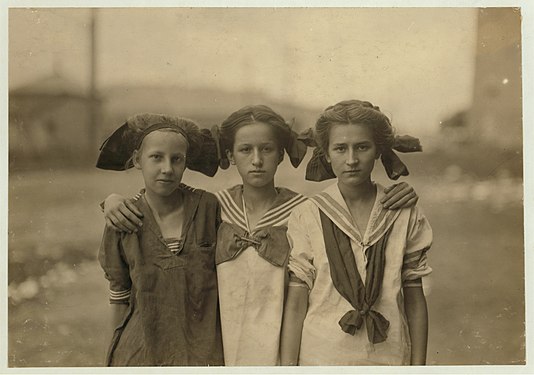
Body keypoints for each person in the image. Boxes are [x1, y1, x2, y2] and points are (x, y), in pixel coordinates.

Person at [101, 105, 419, 366]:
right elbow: (164, 203)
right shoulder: (213, 208)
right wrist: (113, 201)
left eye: (267, 149)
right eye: (245, 150)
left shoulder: (304, 210)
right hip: (222, 350)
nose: (256, 160)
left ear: (281, 154)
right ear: (230, 155)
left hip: (283, 350)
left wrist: (398, 193)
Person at [280, 100, 432, 366]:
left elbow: (415, 298)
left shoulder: (404, 213)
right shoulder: (307, 215)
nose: (351, 160)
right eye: (340, 148)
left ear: (378, 151)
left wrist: (418, 367)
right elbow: (295, 303)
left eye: (362, 147)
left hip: (390, 357)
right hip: (321, 356)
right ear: (326, 154)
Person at [96, 113, 224, 366]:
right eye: (156, 157)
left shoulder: (208, 207)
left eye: (176, 159)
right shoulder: (122, 220)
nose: (167, 168)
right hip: (141, 353)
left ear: (186, 163)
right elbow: (119, 295)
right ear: (137, 160)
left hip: (201, 353)